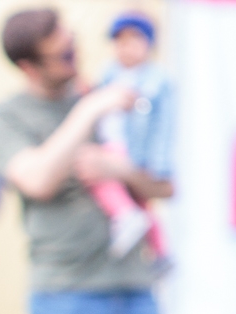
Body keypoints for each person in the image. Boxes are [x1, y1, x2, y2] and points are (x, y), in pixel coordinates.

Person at [0, 8, 168, 314]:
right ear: (28, 66)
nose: (75, 58)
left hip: (136, 288)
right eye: (63, 55)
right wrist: (87, 111)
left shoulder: (109, 96)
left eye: (73, 45)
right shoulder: (5, 116)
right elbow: (37, 180)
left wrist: (121, 171)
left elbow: (166, 187)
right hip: (65, 294)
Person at [90, 11, 172, 259]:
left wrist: (159, 164)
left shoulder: (157, 81)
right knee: (137, 201)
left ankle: (127, 217)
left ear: (148, 44)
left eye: (133, 40)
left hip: (134, 151)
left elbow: (163, 127)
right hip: (111, 142)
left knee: (102, 177)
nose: (125, 48)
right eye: (120, 42)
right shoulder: (108, 74)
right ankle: (159, 252)